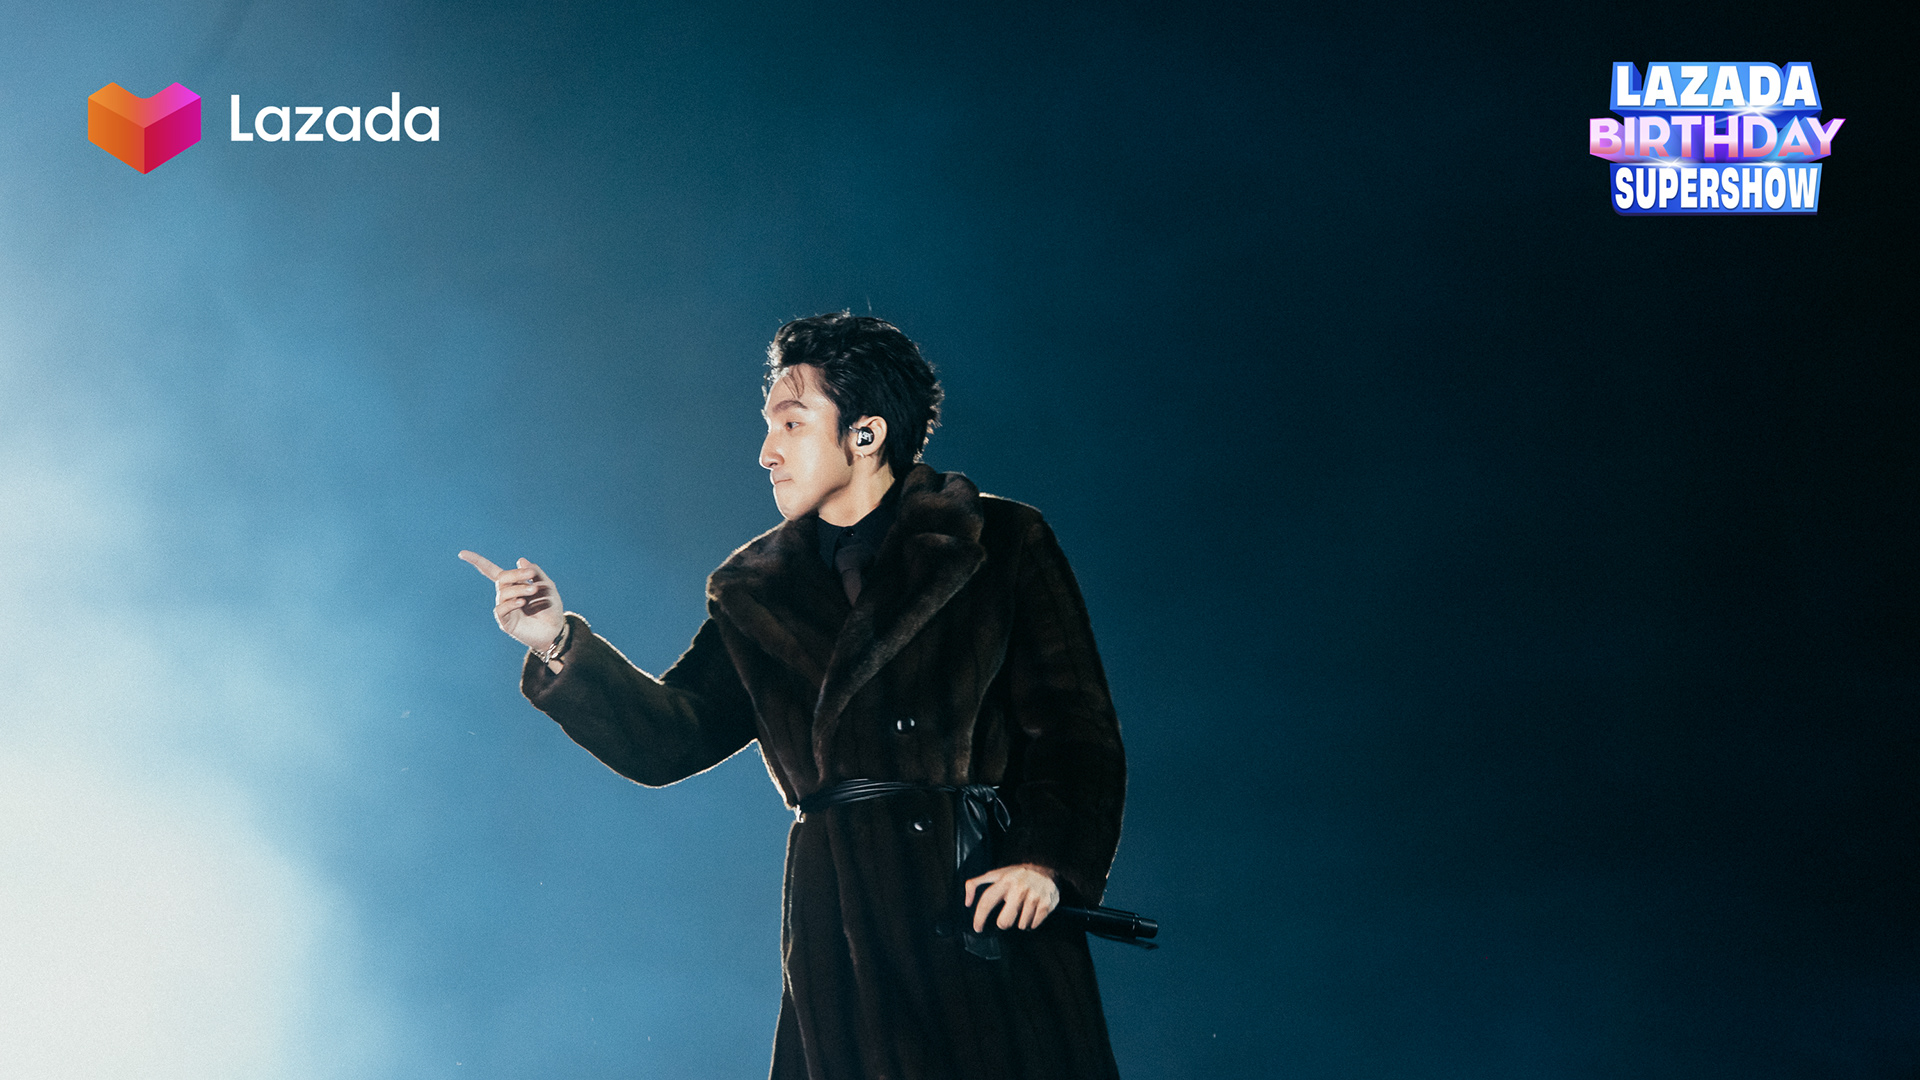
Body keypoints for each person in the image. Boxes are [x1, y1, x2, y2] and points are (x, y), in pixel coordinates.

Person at [460, 312, 1127, 1079]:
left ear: (866, 434)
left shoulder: (1001, 541)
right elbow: (672, 737)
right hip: (841, 935)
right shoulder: (755, 591)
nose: (766, 450)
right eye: (768, 424)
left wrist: (1044, 862)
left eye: (791, 422)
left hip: (983, 908)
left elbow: (1076, 732)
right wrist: (556, 640)